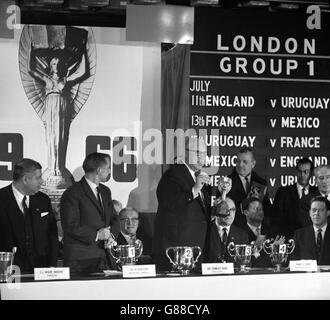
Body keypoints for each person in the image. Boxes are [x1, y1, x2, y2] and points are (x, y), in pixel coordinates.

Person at [152, 136, 211, 271]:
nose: (201, 157)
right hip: (175, 252)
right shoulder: (173, 174)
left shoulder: (197, 177)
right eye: (196, 152)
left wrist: (223, 195)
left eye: (203, 153)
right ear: (185, 152)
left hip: (195, 250)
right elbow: (169, 202)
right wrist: (194, 190)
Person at [60, 152, 119, 273]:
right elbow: (70, 225)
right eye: (108, 168)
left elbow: (114, 218)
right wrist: (97, 235)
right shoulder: (73, 193)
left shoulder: (105, 191)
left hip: (104, 258)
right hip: (80, 260)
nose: (109, 172)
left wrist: (111, 235)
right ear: (99, 170)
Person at [0, 158, 58, 272]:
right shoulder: (1, 199)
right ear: (25, 179)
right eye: (38, 178)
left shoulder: (43, 200)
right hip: (9, 271)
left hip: (41, 269)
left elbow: (52, 234)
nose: (42, 181)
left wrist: (52, 265)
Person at [225, 147, 272, 227]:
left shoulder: (261, 182)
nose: (240, 164)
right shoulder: (226, 182)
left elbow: (266, 208)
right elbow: (223, 210)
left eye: (245, 162)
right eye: (238, 161)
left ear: (253, 164)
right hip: (235, 229)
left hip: (255, 230)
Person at [273, 157, 319, 238]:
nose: (302, 175)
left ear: (311, 173)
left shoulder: (317, 193)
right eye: (299, 172)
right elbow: (276, 219)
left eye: (305, 172)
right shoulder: (283, 192)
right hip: (288, 240)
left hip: (311, 241)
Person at [206, 197, 249, 263]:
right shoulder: (205, 231)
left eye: (233, 210)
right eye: (225, 209)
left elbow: (245, 263)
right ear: (216, 211)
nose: (230, 214)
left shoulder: (242, 235)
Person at [242, 197, 282, 268]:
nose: (260, 212)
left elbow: (278, 260)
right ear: (246, 212)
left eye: (261, 209)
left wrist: (277, 251)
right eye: (256, 209)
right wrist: (255, 249)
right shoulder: (240, 233)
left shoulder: (272, 231)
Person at [291, 196, 330, 265]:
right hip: (306, 275)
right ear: (309, 213)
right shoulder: (299, 235)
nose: (316, 214)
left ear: (328, 213)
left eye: (321, 210)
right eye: (314, 210)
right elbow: (294, 262)